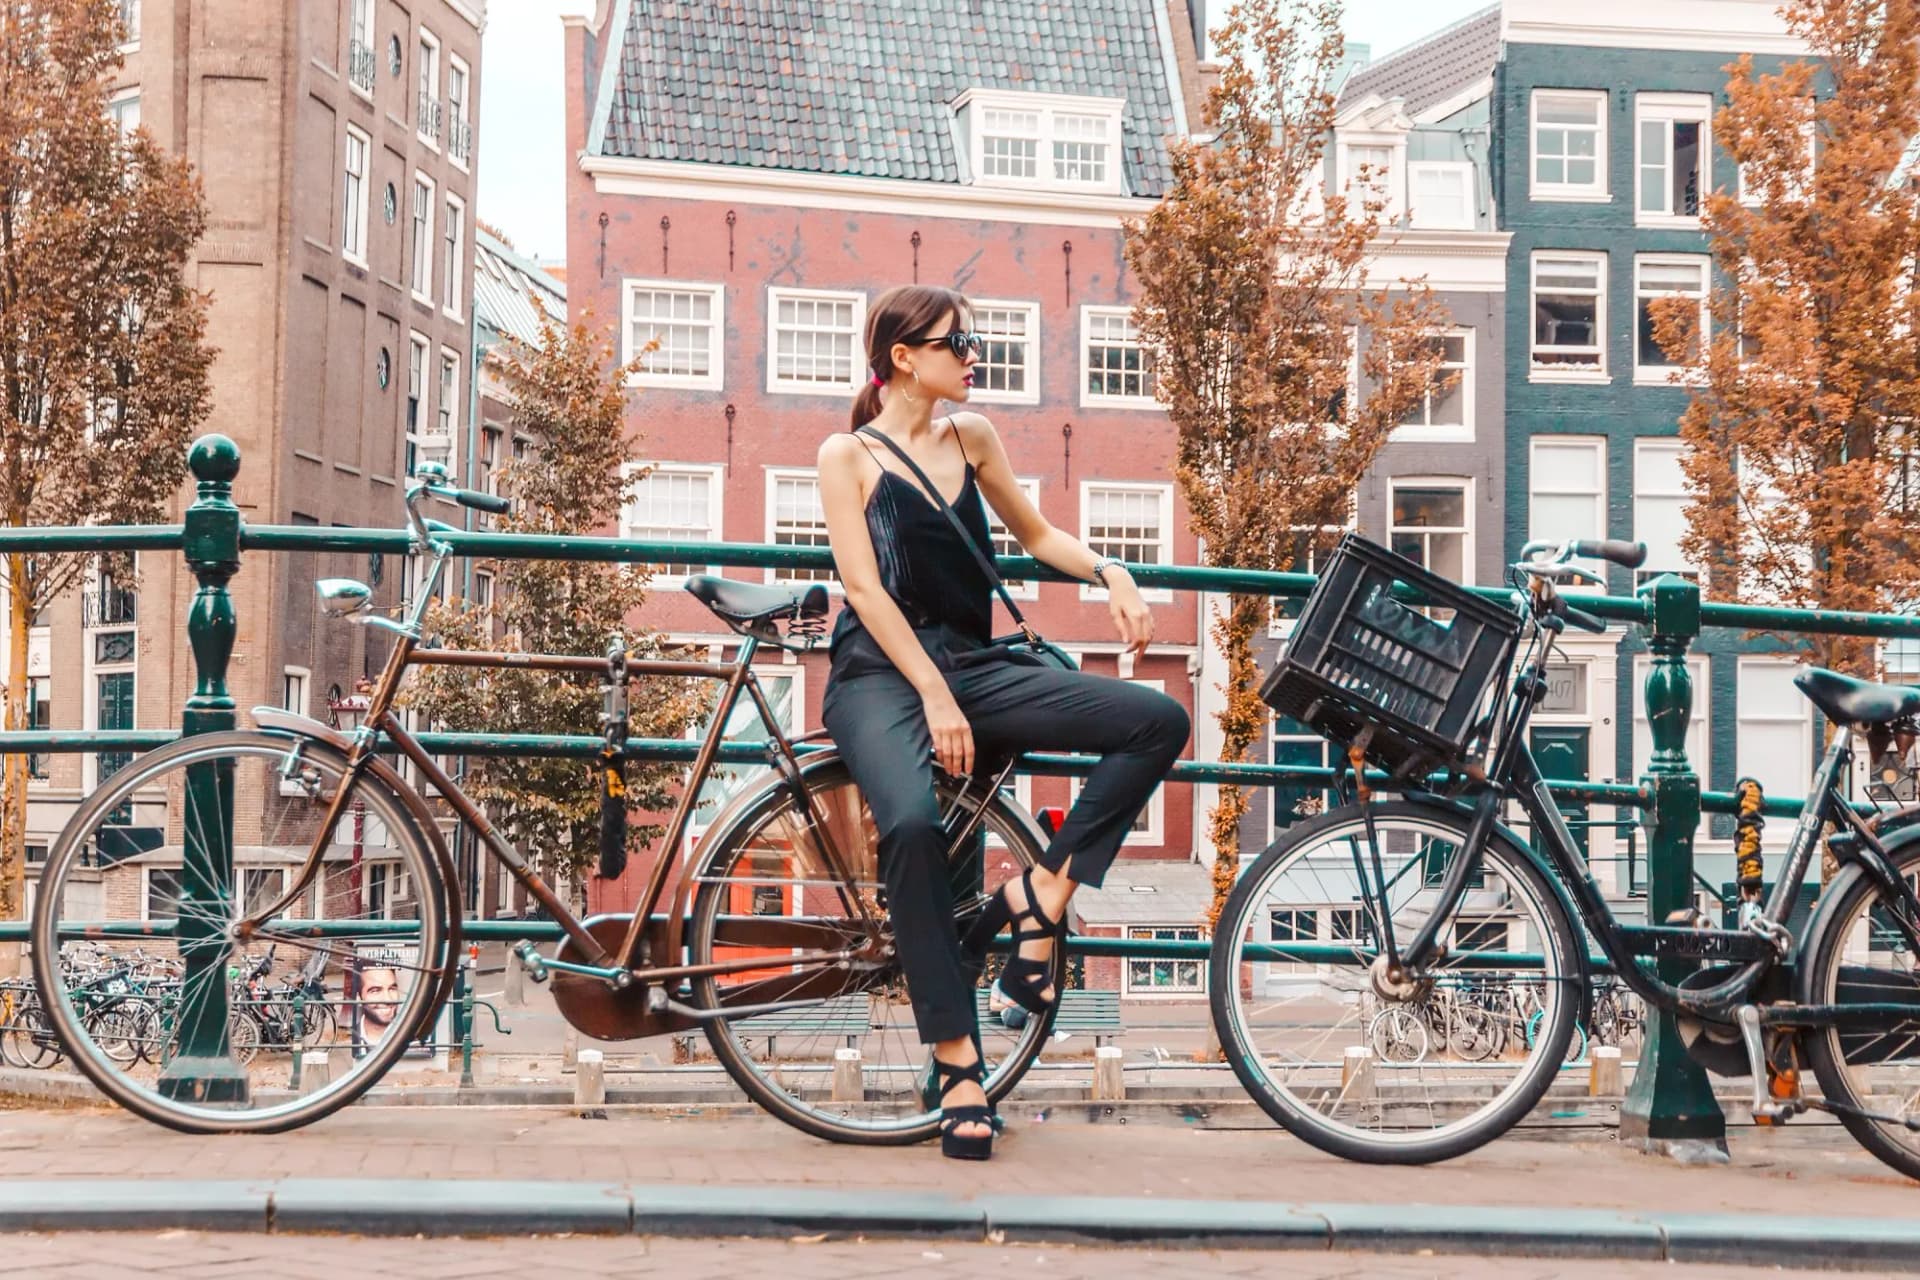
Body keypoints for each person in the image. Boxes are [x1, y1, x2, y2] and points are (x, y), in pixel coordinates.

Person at [817, 284, 1190, 1160]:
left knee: (1157, 722)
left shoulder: (971, 435)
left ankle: (1038, 896)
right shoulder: (849, 454)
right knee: (910, 827)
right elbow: (865, 592)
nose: (973, 354)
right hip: (879, 672)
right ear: (905, 356)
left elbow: (1035, 535)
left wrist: (1114, 573)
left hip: (974, 663)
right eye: (958, 341)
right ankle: (958, 1066)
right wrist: (935, 697)